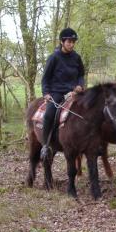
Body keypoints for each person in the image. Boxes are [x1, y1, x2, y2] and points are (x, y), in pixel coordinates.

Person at [40, 28, 85, 159]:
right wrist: (46, 93)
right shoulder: (54, 57)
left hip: (73, 92)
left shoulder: (77, 58)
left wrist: (80, 85)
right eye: (69, 41)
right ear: (62, 42)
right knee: (49, 114)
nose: (71, 44)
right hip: (57, 92)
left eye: (73, 42)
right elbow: (45, 78)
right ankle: (45, 146)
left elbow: (81, 74)